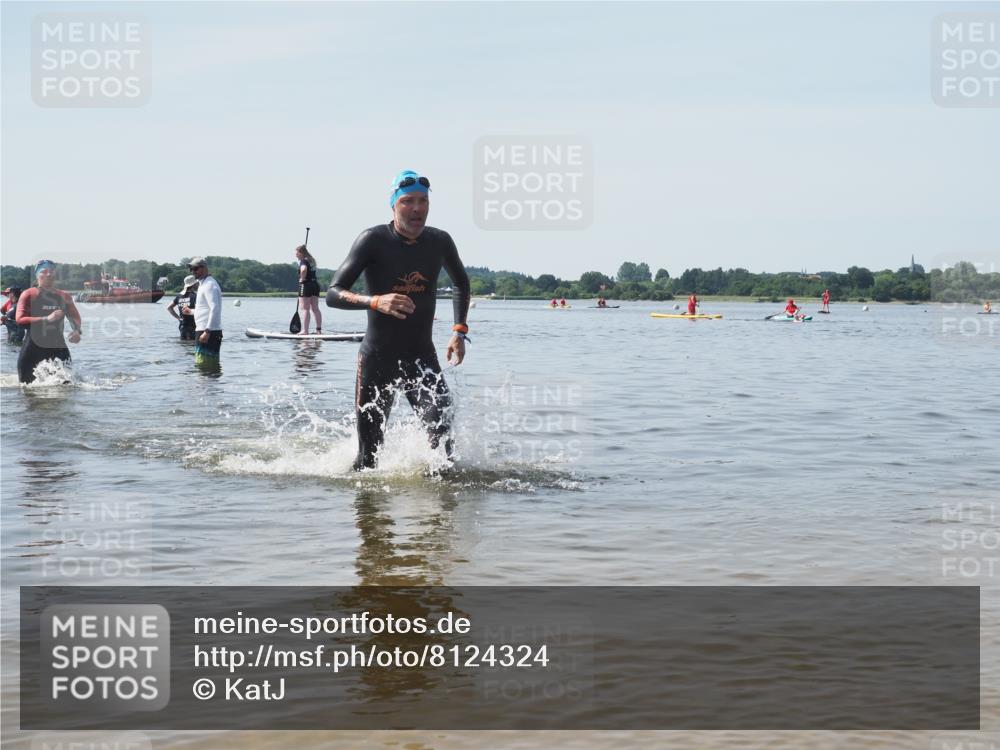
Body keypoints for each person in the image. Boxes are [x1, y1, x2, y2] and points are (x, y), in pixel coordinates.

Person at [326, 169, 471, 471]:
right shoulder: (372, 240)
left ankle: (437, 517)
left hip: (421, 359)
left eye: (422, 201)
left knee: (443, 444)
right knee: (368, 460)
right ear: (393, 205)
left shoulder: (439, 241)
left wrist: (459, 330)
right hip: (377, 360)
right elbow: (333, 293)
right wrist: (376, 301)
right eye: (407, 201)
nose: (417, 209)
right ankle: (368, 516)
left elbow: (461, 281)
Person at [15, 261, 82, 383]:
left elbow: (75, 318)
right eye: (44, 271)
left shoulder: (64, 296)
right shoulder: (29, 294)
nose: (48, 274)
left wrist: (76, 331)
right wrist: (46, 319)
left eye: (51, 271)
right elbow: (20, 320)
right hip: (32, 350)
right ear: (37, 276)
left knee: (66, 390)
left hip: (58, 349)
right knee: (27, 391)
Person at [188, 257, 222, 368]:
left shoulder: (209, 285)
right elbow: (205, 309)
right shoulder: (203, 284)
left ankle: (207, 385)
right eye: (191, 269)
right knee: (203, 367)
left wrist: (207, 331)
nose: (193, 272)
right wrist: (191, 311)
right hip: (204, 330)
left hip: (208, 331)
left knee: (204, 367)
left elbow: (215, 308)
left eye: (195, 269)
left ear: (204, 268)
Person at [296, 244, 323, 334]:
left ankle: (305, 331)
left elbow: (303, 270)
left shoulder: (303, 261)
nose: (296, 255)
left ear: (301, 253)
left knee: (305, 309)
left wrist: (302, 279)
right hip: (315, 285)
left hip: (306, 285)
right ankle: (318, 330)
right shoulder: (312, 260)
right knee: (315, 309)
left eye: (297, 253)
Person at [167, 275, 198, 340]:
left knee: (183, 346)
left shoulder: (179, 296)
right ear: (193, 284)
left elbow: (169, 307)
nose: (198, 284)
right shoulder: (195, 296)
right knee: (192, 346)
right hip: (193, 326)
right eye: (196, 283)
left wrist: (178, 318)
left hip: (182, 326)